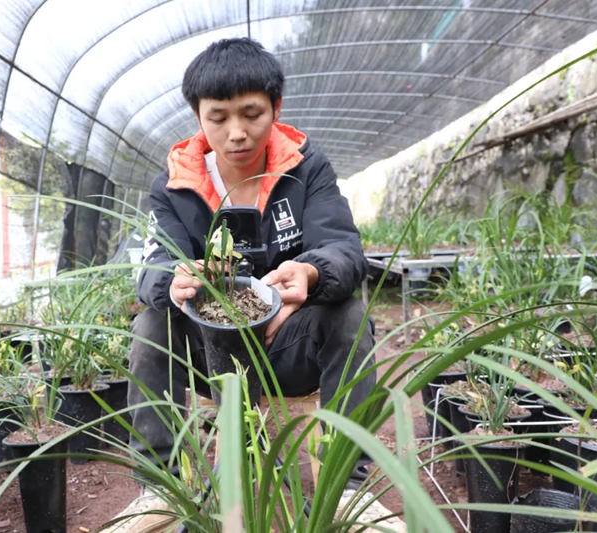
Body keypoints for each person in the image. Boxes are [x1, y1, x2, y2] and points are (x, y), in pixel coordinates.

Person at [120, 37, 405, 532]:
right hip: (206, 353)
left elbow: (344, 249)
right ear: (199, 117)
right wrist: (175, 278)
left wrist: (312, 273)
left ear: (276, 107)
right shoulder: (174, 184)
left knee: (352, 317)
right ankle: (160, 490)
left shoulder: (306, 168)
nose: (237, 133)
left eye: (251, 113)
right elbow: (150, 266)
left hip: (283, 347)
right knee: (150, 324)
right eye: (219, 117)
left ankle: (346, 488)